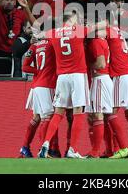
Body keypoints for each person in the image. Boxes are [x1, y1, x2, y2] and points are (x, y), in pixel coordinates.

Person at [38, 10, 96, 159]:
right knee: (79, 112)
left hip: (62, 77)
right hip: (77, 75)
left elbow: (38, 35)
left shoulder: (53, 33)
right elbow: (99, 26)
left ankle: (45, 144)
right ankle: (73, 149)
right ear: (71, 19)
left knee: (58, 113)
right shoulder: (78, 30)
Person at [20, 34, 59, 158]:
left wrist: (38, 72)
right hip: (47, 85)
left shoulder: (34, 45)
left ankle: (25, 148)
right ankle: (44, 149)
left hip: (36, 86)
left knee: (36, 118)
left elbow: (24, 67)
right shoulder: (53, 44)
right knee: (48, 117)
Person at [106, 24, 128, 159]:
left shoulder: (108, 29)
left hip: (121, 75)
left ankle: (123, 148)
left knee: (111, 112)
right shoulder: (118, 31)